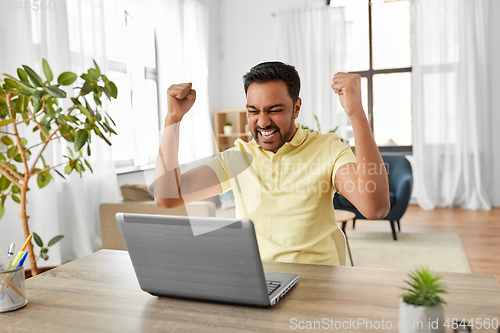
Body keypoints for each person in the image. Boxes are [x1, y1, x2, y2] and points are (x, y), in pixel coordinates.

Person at [154, 61, 390, 266]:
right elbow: (167, 197)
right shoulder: (237, 157)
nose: (263, 122)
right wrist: (172, 119)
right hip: (257, 279)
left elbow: (375, 208)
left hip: (318, 282)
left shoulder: (326, 148)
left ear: (296, 108)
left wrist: (356, 112)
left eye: (275, 110)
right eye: (253, 111)